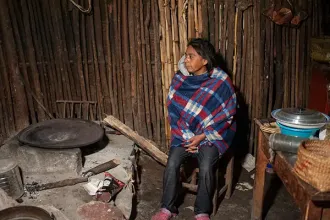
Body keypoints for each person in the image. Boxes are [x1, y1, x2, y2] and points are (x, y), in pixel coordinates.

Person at [151, 38, 237, 220]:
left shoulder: (220, 82)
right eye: (186, 55)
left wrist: (202, 136)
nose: (185, 60)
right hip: (184, 135)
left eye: (191, 56)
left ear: (204, 60)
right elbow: (173, 112)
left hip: (211, 136)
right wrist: (188, 137)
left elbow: (227, 115)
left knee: (206, 166)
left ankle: (202, 211)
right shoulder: (180, 79)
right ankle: (167, 208)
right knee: (172, 163)